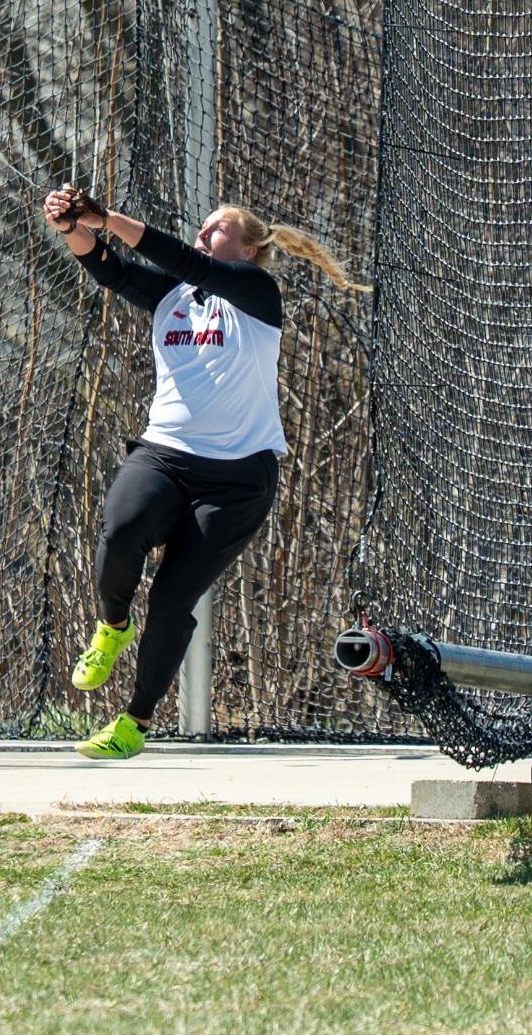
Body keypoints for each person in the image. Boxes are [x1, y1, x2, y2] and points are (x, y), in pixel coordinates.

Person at [42, 184, 365, 759]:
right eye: (203, 225)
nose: (202, 233)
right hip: (165, 454)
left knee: (171, 602)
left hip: (237, 481)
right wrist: (72, 227)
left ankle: (133, 724)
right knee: (119, 534)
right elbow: (112, 271)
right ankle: (112, 627)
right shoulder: (175, 297)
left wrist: (107, 217)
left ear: (246, 249)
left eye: (217, 228)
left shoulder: (256, 292)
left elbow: (184, 259)